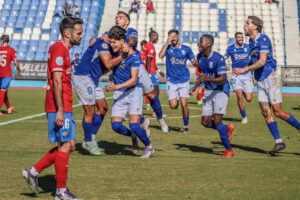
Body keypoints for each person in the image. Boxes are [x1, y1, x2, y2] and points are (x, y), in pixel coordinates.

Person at [22, 17, 84, 199]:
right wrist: (60, 110)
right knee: (65, 145)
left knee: (70, 145)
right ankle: (61, 192)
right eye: (78, 33)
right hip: (59, 106)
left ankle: (33, 172)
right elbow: (57, 80)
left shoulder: (63, 49)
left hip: (64, 105)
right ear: (67, 33)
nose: (82, 36)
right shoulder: (59, 49)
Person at [233, 16, 300, 155]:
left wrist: (244, 70)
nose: (244, 25)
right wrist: (251, 76)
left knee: (277, 112)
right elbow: (253, 62)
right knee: (265, 112)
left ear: (254, 27)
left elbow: (262, 61)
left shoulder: (263, 39)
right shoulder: (251, 42)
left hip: (270, 78)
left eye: (247, 23)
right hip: (260, 81)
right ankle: (279, 142)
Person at [73, 32, 128, 156]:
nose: (110, 41)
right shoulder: (102, 42)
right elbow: (108, 63)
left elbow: (106, 68)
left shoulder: (114, 52)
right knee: (90, 110)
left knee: (103, 108)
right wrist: (122, 56)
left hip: (93, 79)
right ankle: (87, 142)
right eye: (109, 38)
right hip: (84, 77)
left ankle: (91, 138)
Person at [115, 11, 169, 134]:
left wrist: (126, 45)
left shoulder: (131, 31)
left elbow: (132, 41)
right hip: (123, 69)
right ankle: (144, 121)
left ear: (127, 21)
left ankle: (160, 119)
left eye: (121, 17)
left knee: (150, 95)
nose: (117, 19)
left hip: (137, 66)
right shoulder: (112, 33)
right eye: (116, 17)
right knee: (126, 101)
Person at [106, 26, 154, 158]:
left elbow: (133, 80)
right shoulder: (115, 51)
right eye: (111, 42)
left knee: (134, 124)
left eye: (114, 42)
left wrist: (116, 87)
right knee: (116, 126)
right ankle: (133, 137)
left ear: (122, 41)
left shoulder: (134, 57)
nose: (111, 44)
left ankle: (149, 147)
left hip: (134, 92)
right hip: (120, 93)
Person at [190, 34, 234, 158]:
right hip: (209, 90)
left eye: (200, 42)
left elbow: (222, 79)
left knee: (218, 120)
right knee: (205, 122)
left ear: (208, 44)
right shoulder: (200, 57)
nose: (198, 44)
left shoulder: (218, 59)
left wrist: (207, 78)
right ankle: (226, 128)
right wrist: (194, 88)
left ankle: (229, 150)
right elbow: (202, 76)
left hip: (221, 90)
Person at [159, 29, 197, 134]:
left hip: (184, 80)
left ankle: (185, 126)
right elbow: (160, 56)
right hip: (171, 81)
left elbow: (194, 62)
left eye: (174, 36)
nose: (172, 39)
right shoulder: (168, 48)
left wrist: (196, 63)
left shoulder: (186, 49)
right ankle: (176, 99)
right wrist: (167, 42)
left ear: (178, 36)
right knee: (173, 106)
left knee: (184, 104)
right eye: (170, 37)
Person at [224, 32, 252, 124]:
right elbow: (224, 58)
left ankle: (244, 91)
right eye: (239, 37)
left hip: (246, 74)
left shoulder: (248, 47)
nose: (241, 39)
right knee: (239, 96)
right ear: (235, 38)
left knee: (248, 99)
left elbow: (255, 57)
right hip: (236, 75)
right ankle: (244, 117)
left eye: (242, 37)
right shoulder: (231, 48)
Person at [145, 29, 165, 117]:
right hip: (151, 73)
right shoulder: (150, 46)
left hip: (152, 71)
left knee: (149, 91)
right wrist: (149, 74)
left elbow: (152, 61)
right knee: (156, 91)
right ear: (152, 36)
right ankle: (155, 112)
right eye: (156, 36)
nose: (158, 38)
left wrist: (159, 70)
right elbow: (148, 60)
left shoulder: (148, 45)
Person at [0, 35, 21, 115]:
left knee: (4, 91)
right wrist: (19, 70)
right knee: (3, 90)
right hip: (6, 74)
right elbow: (15, 62)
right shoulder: (11, 50)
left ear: (2, 41)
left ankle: (9, 108)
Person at [140, 40, 151, 110]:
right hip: (139, 75)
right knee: (139, 91)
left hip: (145, 74)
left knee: (147, 89)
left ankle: (148, 105)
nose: (145, 47)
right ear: (141, 46)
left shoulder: (146, 54)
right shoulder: (138, 53)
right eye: (144, 46)